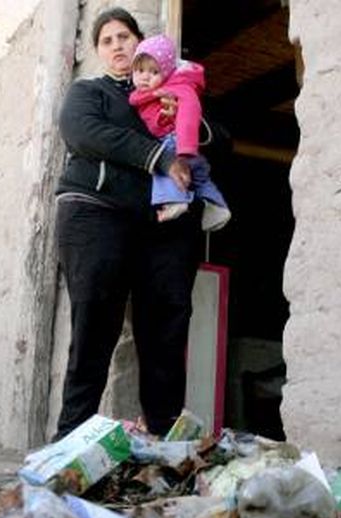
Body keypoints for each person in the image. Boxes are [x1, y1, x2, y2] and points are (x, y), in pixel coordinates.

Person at [53, 8, 202, 440]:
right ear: (99, 52)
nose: (117, 45)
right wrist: (160, 156)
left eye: (124, 36)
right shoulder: (89, 92)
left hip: (157, 225)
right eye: (107, 40)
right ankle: (71, 440)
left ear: (140, 43)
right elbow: (83, 133)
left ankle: (164, 438)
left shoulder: (171, 90)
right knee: (94, 325)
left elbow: (217, 138)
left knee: (166, 326)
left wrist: (190, 125)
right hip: (95, 213)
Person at [129, 34, 231, 231]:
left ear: (167, 73)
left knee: (162, 167)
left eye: (154, 72)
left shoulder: (178, 88)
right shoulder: (147, 94)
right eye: (140, 70)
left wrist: (185, 149)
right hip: (190, 152)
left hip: (177, 144)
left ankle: (175, 200)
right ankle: (217, 206)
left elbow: (189, 115)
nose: (145, 77)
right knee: (201, 180)